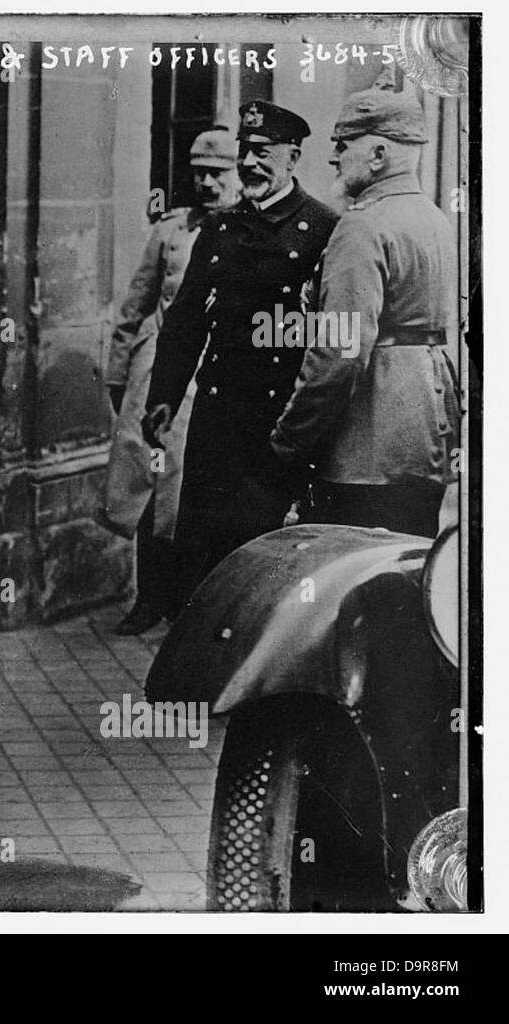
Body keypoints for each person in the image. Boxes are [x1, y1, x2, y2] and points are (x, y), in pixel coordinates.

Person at [144, 101, 339, 606]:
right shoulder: (221, 227)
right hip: (216, 418)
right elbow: (186, 319)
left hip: (276, 425)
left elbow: (326, 338)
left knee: (259, 558)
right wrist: (162, 396)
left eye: (264, 153)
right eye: (246, 152)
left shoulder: (323, 228)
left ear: (293, 158)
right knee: (201, 553)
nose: (251, 163)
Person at [269, 87, 460, 538]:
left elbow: (339, 354)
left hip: (364, 450)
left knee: (350, 585)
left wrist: (288, 440)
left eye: (343, 144)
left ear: (377, 154)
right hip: (423, 436)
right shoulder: (433, 218)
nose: (334, 157)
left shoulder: (362, 225)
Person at [101, 128, 239, 635]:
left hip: (213, 374)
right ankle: (148, 599)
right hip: (157, 369)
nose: (206, 183)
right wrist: (119, 375)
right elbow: (135, 305)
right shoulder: (171, 230)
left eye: (218, 174)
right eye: (200, 173)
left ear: (238, 176)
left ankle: (189, 601)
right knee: (145, 483)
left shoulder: (247, 231)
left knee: (193, 491)